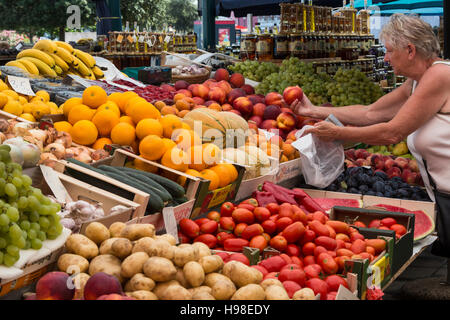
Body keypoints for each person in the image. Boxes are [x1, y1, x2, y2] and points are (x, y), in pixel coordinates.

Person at [290, 13, 450, 257]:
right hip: (441, 194)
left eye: (389, 51)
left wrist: (337, 133)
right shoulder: (415, 82)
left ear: (410, 50)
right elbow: (371, 113)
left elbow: (392, 132)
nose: (385, 58)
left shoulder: (439, 75)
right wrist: (312, 111)